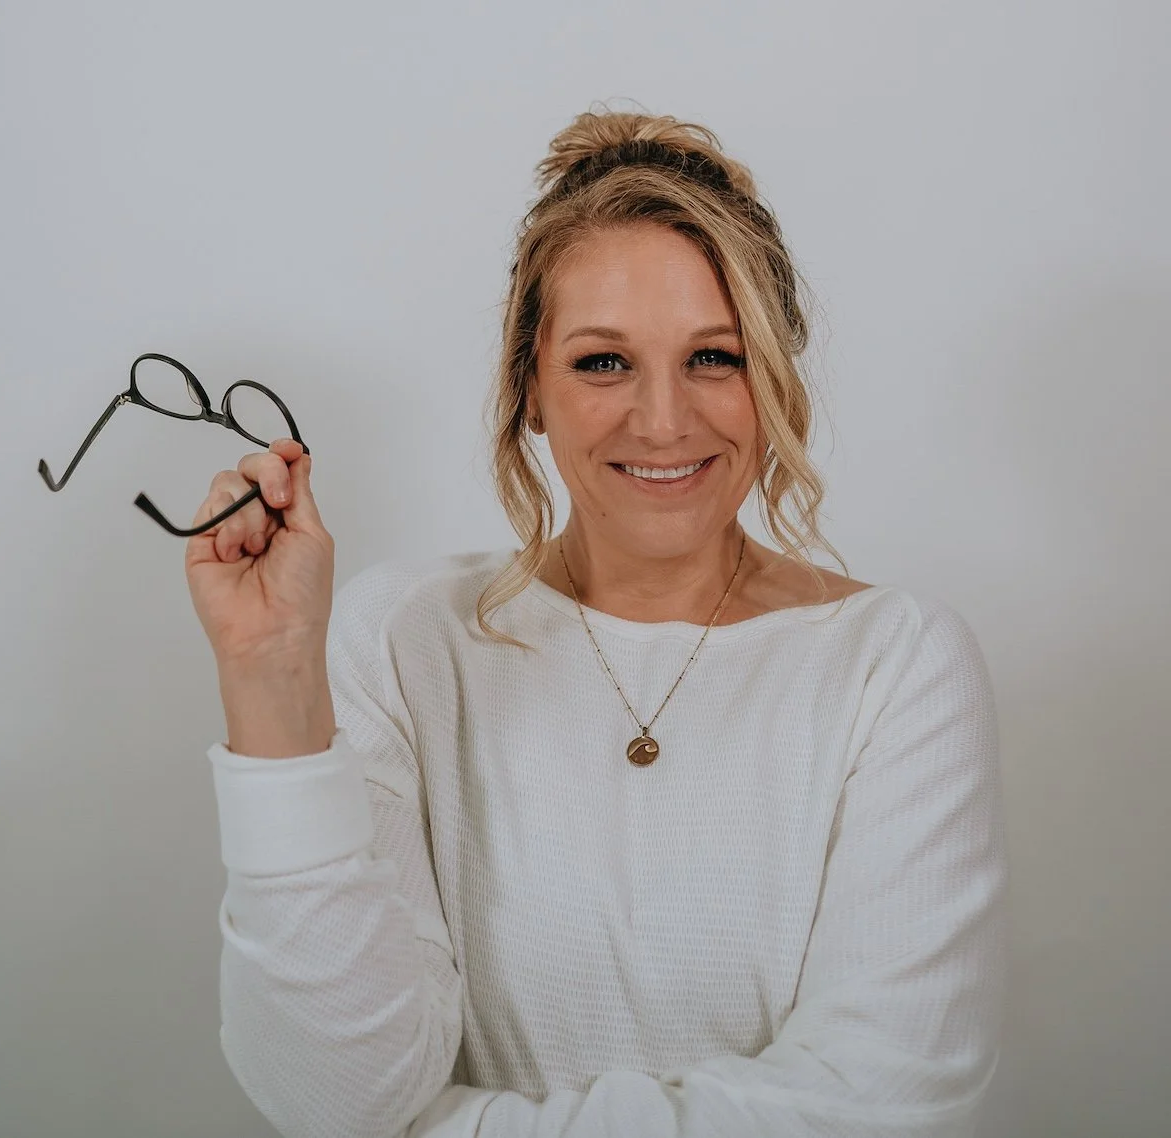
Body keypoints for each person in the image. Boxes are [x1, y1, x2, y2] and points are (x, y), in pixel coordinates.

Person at [187, 108, 1008, 1138]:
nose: (663, 420)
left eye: (714, 357)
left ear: (774, 379)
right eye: (603, 363)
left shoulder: (896, 664)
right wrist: (270, 679)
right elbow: (334, 1097)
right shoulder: (401, 639)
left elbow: (888, 1102)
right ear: (529, 385)